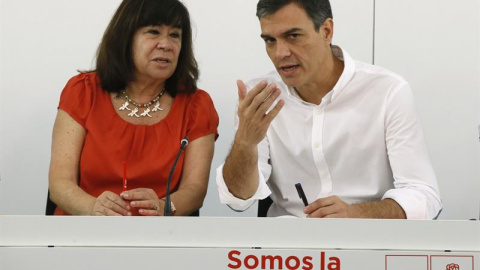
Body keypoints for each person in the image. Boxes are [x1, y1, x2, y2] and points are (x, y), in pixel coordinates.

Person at [216, 0, 442, 219]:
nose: (280, 53)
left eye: (293, 36)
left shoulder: (388, 91)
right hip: (289, 252)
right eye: (270, 40)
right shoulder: (259, 96)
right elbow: (238, 199)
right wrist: (244, 143)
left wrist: (357, 214)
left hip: (368, 243)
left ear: (326, 31)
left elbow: (424, 196)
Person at [49, 0, 219, 216]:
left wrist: (163, 206)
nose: (166, 44)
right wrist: (93, 208)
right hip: (84, 230)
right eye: (153, 32)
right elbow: (60, 183)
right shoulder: (83, 91)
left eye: (175, 35)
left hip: (160, 237)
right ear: (125, 38)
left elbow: (194, 191)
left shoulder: (197, 105)